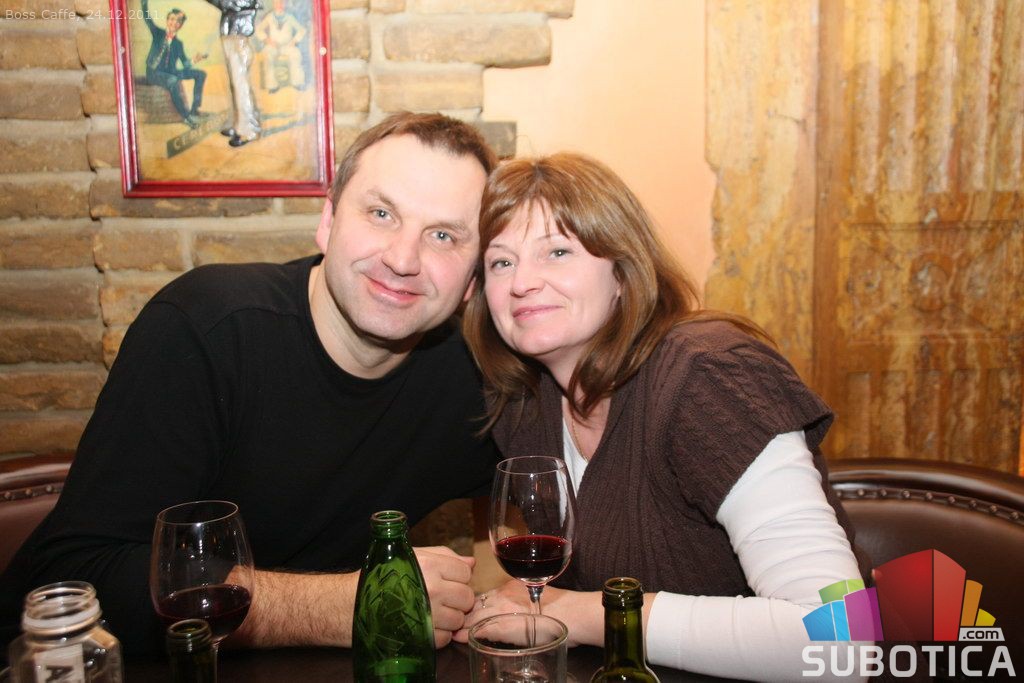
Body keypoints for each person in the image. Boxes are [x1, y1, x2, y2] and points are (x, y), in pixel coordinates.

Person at [0, 113, 499, 659]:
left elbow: (540, 505)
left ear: (472, 280)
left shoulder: (470, 376)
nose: (403, 259)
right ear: (328, 220)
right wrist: (350, 603)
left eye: (444, 236)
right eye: (381, 213)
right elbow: (77, 574)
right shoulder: (205, 329)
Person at [457, 153, 869, 681]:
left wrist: (579, 614)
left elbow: (840, 639)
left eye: (557, 252)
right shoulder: (523, 406)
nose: (523, 282)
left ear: (623, 273)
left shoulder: (708, 377)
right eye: (501, 262)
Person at [140, 0, 207, 128]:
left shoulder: (178, 44)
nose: (174, 23)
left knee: (201, 74)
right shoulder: (157, 33)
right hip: (154, 73)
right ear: (167, 20)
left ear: (181, 25)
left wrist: (194, 60)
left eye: (178, 21)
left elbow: (185, 64)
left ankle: (194, 109)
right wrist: (144, 3)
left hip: (171, 71)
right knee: (173, 80)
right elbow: (147, 18)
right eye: (172, 19)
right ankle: (186, 117)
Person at [204, 0, 262, 147]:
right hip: (232, 33)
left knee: (240, 85)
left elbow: (232, 3)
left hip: (239, 35)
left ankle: (248, 130)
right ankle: (238, 124)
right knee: (236, 85)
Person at [255, 0, 306, 93]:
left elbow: (301, 30)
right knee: (267, 55)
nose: (279, 5)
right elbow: (259, 30)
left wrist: (294, 41)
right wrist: (267, 40)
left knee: (296, 54)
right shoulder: (270, 17)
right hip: (273, 45)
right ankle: (272, 85)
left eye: (281, 3)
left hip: (287, 46)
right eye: (277, 3)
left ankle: (297, 82)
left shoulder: (289, 17)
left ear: (284, 4)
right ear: (274, 4)